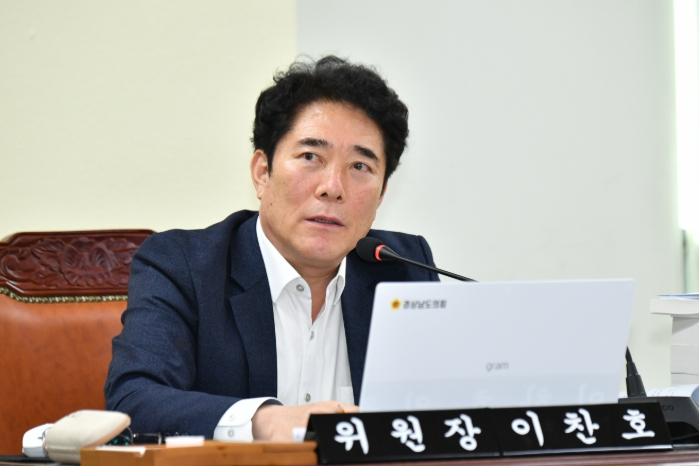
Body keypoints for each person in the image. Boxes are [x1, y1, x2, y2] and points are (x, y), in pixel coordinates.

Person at [104, 56, 439, 441]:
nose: (333, 187)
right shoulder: (183, 266)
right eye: (311, 157)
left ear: (381, 194)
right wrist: (264, 421)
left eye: (360, 166)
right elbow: (133, 401)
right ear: (262, 173)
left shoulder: (404, 269)